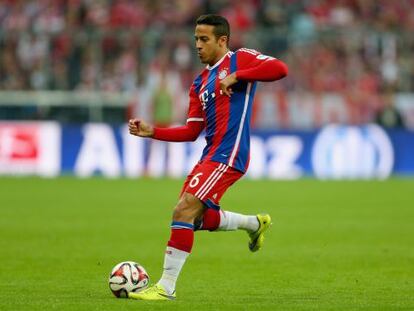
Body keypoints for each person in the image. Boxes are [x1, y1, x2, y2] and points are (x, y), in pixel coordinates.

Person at [128, 14, 288, 301]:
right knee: (196, 219)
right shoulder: (200, 83)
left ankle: (166, 287)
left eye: (204, 39)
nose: (198, 45)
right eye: (196, 39)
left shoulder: (240, 59)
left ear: (222, 40)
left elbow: (280, 68)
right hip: (210, 155)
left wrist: (239, 75)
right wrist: (153, 132)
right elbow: (191, 131)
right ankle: (254, 223)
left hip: (230, 154)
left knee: (183, 211)